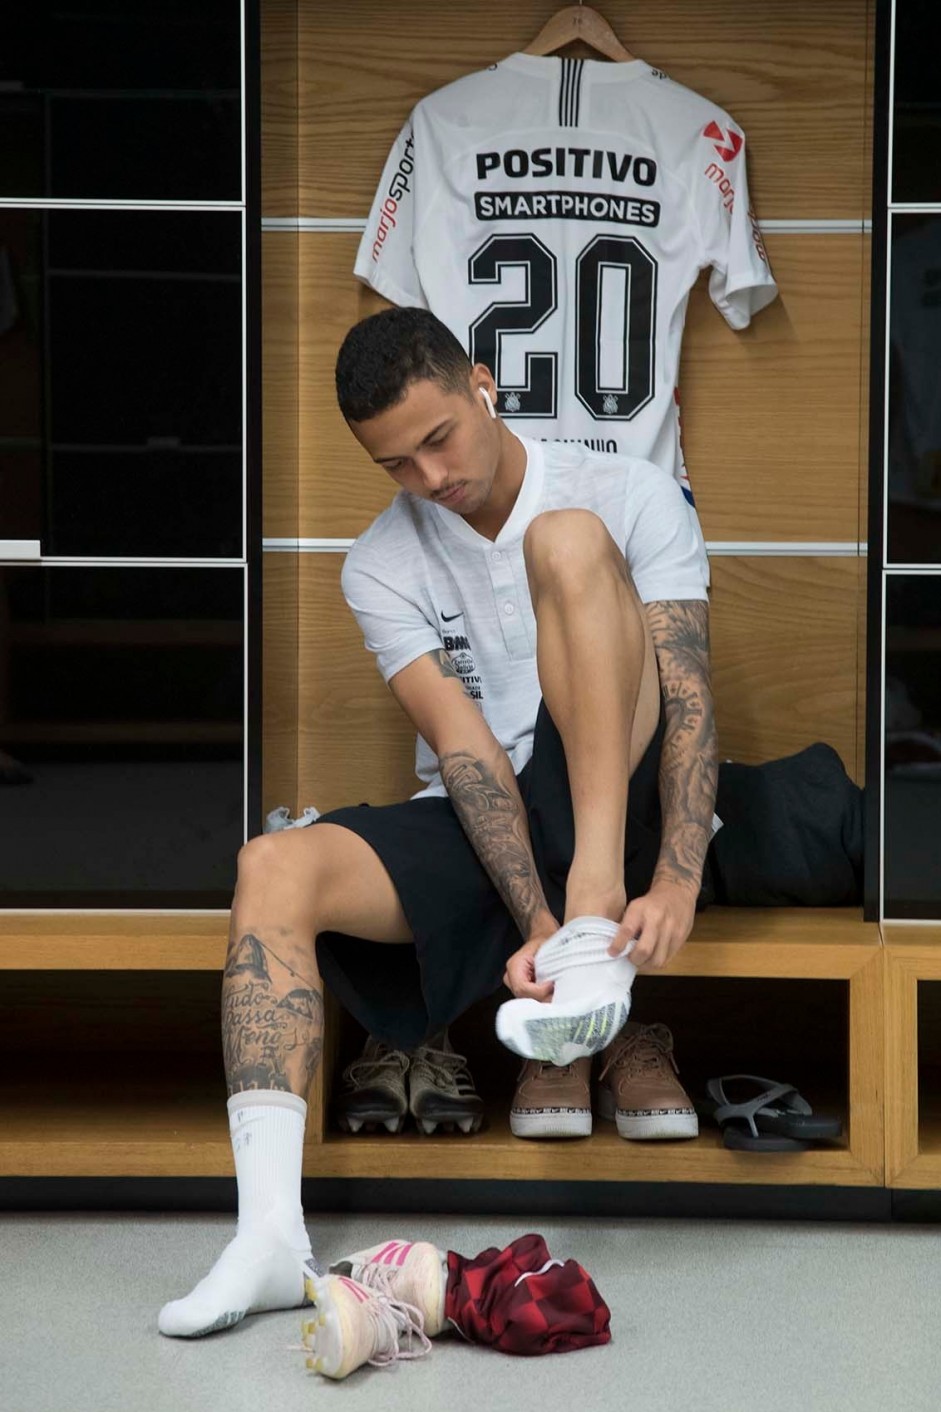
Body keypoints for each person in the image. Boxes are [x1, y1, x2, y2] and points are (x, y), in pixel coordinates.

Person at [157, 306, 717, 1340]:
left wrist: (673, 873)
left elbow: (685, 699)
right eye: (395, 463)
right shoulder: (376, 562)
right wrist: (534, 918)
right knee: (271, 865)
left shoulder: (625, 491)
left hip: (619, 795)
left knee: (567, 540)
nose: (428, 476)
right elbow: (464, 754)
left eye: (438, 438)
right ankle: (270, 1235)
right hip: (494, 816)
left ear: (481, 384)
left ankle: (596, 905)